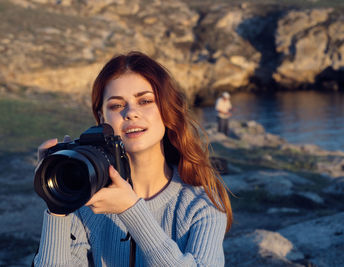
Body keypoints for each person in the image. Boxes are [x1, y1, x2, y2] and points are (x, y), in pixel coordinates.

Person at [33, 51, 233, 266]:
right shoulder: (88, 197)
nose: (130, 112)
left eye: (145, 100)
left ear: (166, 110)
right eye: (117, 105)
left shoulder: (201, 203)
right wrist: (57, 205)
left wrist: (131, 210)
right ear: (102, 118)